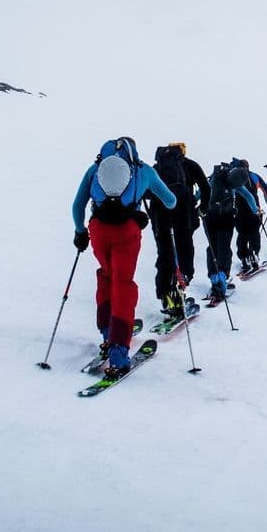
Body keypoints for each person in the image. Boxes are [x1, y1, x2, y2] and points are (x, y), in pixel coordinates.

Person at [72, 137, 176, 378]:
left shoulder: (95, 169)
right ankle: (119, 351)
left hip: (98, 229)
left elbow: (78, 204)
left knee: (106, 277)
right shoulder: (143, 171)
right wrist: (145, 195)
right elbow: (171, 201)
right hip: (127, 232)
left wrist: (80, 231)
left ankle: (107, 333)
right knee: (123, 284)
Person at [149, 142, 211, 316]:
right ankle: (181, 285)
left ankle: (165, 294)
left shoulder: (157, 168)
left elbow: (147, 191)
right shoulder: (190, 165)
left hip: (159, 214)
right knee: (184, 248)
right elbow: (206, 187)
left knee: (164, 252)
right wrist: (203, 208)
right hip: (183, 213)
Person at [202, 163, 258, 299]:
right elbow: (248, 196)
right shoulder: (237, 183)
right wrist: (255, 211)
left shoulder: (215, 178)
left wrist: (199, 207)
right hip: (226, 217)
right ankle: (222, 276)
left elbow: (200, 193)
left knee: (213, 246)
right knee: (224, 246)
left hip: (209, 217)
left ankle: (214, 277)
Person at [231, 158, 267, 273]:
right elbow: (266, 191)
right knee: (254, 233)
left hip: (239, 211)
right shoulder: (255, 176)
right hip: (254, 210)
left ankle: (244, 258)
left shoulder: (233, 177)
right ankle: (254, 253)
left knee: (242, 234)